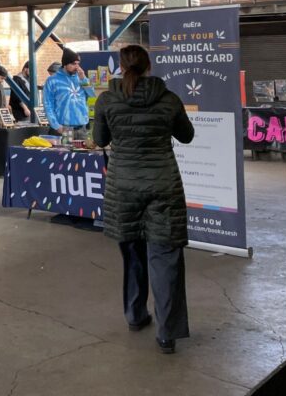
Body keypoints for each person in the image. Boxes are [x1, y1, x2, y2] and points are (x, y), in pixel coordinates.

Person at [94, 45, 195, 354]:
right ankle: (168, 333)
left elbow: (100, 140)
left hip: (123, 188)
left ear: (120, 67)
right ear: (149, 66)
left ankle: (136, 316)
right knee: (166, 258)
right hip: (163, 185)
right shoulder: (168, 99)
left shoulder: (107, 99)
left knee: (133, 254)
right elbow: (187, 135)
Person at [43, 49, 94, 138]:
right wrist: (56, 126)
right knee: (63, 152)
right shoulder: (52, 80)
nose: (77, 67)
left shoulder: (81, 78)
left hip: (82, 127)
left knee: (82, 152)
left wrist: (84, 79)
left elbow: (92, 95)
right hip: (63, 127)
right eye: (73, 64)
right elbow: (48, 105)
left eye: (78, 64)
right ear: (65, 64)